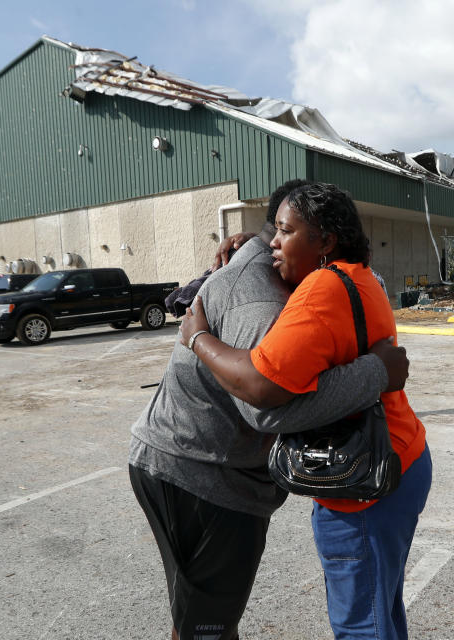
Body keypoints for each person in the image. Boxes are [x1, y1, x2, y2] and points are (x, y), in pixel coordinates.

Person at [129, 179, 411, 640]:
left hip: (205, 463)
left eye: (287, 230)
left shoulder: (306, 282)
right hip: (203, 474)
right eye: (276, 230)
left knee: (202, 613)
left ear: (324, 240)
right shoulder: (263, 296)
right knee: (209, 623)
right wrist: (375, 373)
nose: (277, 242)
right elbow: (264, 408)